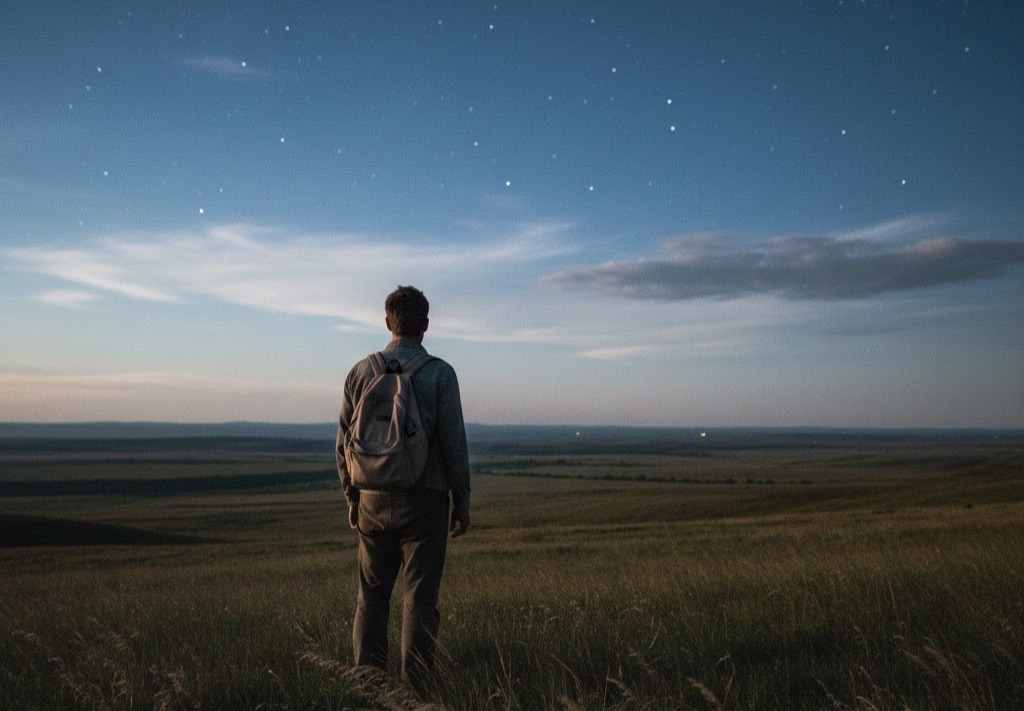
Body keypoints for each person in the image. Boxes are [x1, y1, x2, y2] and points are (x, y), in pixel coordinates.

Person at [335, 285, 471, 692]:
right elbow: (453, 442)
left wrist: (352, 497)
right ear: (425, 326)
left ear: (387, 322)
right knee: (419, 601)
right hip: (425, 500)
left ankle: (369, 688)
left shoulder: (361, 371)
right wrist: (462, 500)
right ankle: (414, 693)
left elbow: (343, 441)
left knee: (371, 599)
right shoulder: (440, 374)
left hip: (372, 499)